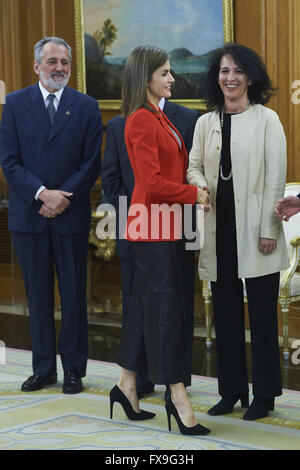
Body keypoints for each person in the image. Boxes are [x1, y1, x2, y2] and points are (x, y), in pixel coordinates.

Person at [109, 45, 211, 436]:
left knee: (144, 309)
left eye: (171, 72)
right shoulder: (139, 121)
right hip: (153, 229)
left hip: (165, 227)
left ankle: (126, 385)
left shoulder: (159, 118)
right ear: (146, 77)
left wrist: (190, 192)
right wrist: (193, 195)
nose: (172, 78)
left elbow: (171, 172)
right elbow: (149, 184)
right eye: (165, 73)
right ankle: (177, 396)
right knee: (167, 315)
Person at [187, 43, 289, 420]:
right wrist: (199, 186)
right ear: (217, 77)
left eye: (237, 71)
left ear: (250, 77)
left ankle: (264, 396)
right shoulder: (205, 122)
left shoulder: (267, 119)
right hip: (219, 232)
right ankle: (231, 392)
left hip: (259, 233)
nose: (230, 78)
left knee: (262, 317)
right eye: (224, 71)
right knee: (227, 316)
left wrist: (269, 230)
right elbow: (193, 166)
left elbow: (276, 179)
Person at [0, 37, 103, 394]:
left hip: (70, 217)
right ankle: (43, 368)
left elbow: (92, 164)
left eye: (65, 62)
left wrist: (62, 199)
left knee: (74, 296)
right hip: (29, 217)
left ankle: (74, 369)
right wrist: (42, 194)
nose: (59, 68)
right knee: (38, 296)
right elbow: (9, 161)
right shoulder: (14, 104)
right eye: (52, 62)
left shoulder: (86, 106)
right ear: (36, 66)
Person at [101, 98, 200, 399]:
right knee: (139, 309)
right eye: (164, 72)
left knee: (176, 307)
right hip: (141, 230)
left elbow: (191, 170)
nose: (170, 78)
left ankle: (177, 381)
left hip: (180, 229)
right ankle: (138, 380)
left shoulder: (186, 118)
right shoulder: (119, 124)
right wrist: (142, 213)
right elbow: (112, 181)